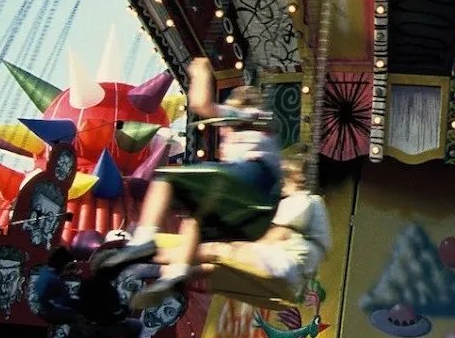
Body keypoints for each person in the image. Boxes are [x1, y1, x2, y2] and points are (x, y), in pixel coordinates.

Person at [103, 58, 281, 282]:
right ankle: (175, 271)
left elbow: (201, 104)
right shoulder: (263, 129)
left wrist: (201, 72)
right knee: (194, 217)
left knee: (165, 178)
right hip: (257, 211)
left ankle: (144, 239)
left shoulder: (251, 114)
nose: (224, 132)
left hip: (252, 179)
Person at [138, 152, 331, 307]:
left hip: (286, 264)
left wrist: (237, 242)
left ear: (295, 179)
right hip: (292, 274)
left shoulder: (304, 200)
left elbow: (278, 234)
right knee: (215, 266)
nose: (279, 188)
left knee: (214, 250)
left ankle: (146, 257)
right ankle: (159, 271)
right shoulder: (314, 206)